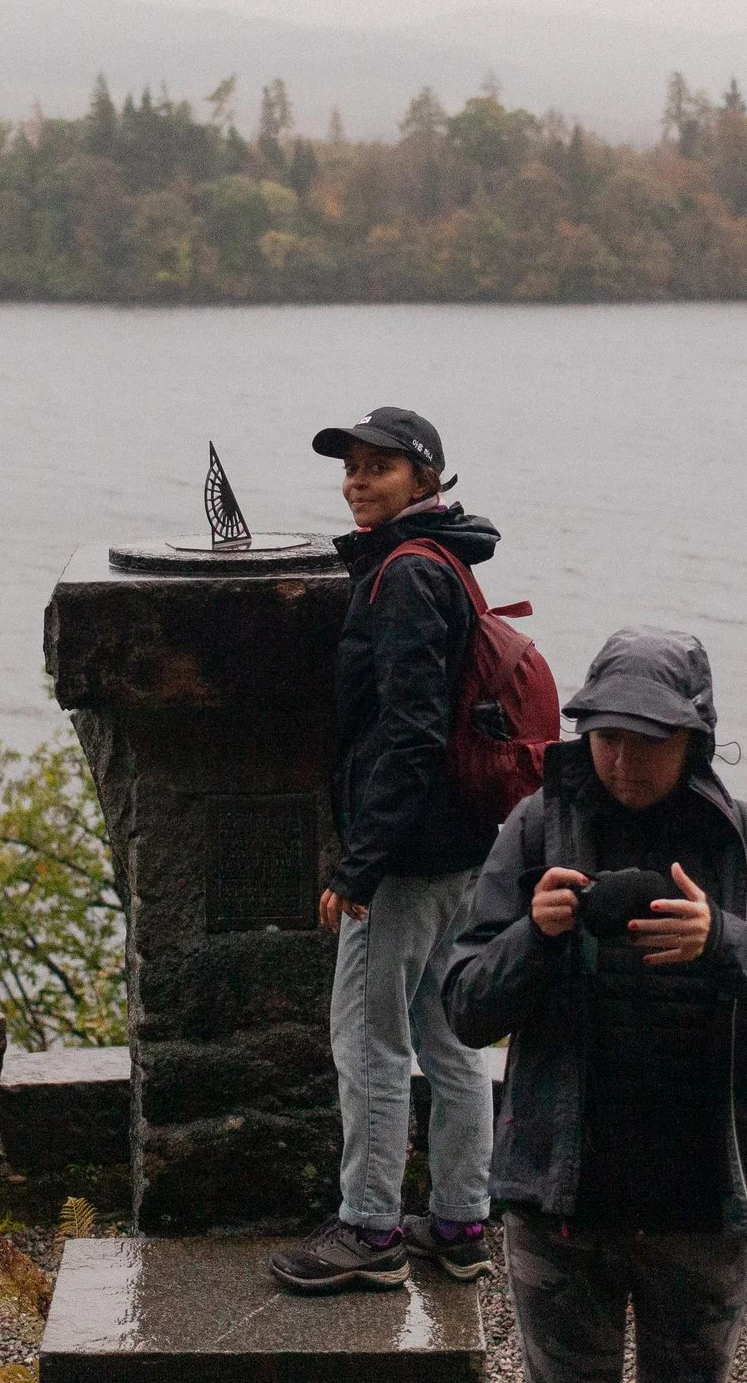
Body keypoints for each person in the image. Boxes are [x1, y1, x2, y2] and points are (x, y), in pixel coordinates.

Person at [442, 627, 747, 1383]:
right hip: (560, 1210)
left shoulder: (746, 845)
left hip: (703, 1215)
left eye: (648, 741)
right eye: (608, 739)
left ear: (695, 738)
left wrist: (724, 940)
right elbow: (465, 1007)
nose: (624, 763)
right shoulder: (536, 831)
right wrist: (534, 935)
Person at [268, 406, 503, 1292]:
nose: (357, 482)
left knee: (369, 1039)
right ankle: (461, 1222)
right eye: (351, 467)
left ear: (424, 479)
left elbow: (409, 734)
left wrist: (359, 864)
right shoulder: (444, 556)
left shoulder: (405, 574)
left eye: (379, 467)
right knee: (448, 1036)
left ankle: (370, 1230)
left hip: (405, 854)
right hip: (460, 842)